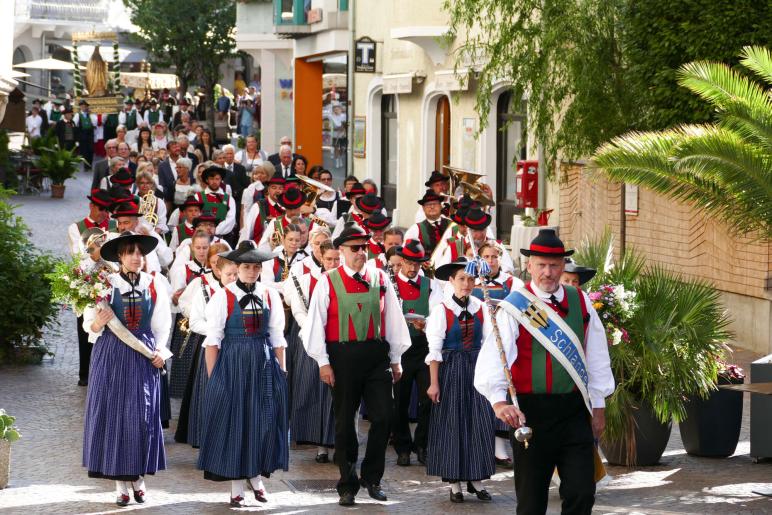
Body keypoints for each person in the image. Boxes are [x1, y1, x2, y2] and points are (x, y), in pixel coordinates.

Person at [474, 229, 615, 515]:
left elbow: (598, 355)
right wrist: (499, 401)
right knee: (531, 501)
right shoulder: (515, 307)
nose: (547, 273)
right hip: (532, 412)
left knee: (582, 491)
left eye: (553, 265)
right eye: (541, 265)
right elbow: (494, 358)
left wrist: (598, 404)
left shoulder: (581, 301)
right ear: (529, 266)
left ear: (563, 266)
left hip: (575, 411)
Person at [302, 224, 410, 506]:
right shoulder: (327, 281)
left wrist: (396, 359)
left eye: (363, 248)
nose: (360, 253)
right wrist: (323, 362)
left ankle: (372, 478)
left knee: (385, 416)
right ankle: (347, 484)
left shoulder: (380, 277)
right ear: (341, 251)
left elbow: (393, 321)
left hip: (377, 356)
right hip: (342, 358)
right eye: (354, 249)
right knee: (344, 424)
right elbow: (315, 325)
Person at [82, 231, 171, 507]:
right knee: (115, 415)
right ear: (119, 257)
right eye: (130, 252)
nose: (136, 257)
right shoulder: (104, 284)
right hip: (111, 354)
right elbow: (90, 326)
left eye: (140, 253)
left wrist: (160, 352)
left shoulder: (154, 284)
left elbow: (162, 324)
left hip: (143, 356)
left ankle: (139, 479)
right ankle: (121, 484)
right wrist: (98, 321)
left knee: (142, 416)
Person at [197, 240, 289, 508]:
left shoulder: (270, 295)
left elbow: (276, 336)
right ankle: (237, 488)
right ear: (236, 268)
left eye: (256, 267)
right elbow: (213, 341)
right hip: (233, 365)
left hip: (262, 363)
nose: (251, 271)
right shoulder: (222, 297)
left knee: (263, 423)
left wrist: (281, 369)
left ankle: (257, 478)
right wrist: (214, 380)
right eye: (246, 266)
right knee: (238, 424)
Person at [426, 257, 496, 503]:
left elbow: (489, 342)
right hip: (452, 369)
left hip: (478, 368)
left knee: (478, 423)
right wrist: (434, 383)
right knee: (453, 424)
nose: (466, 284)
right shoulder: (441, 310)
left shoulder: (481, 306)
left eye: (470, 279)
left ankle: (476, 480)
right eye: (462, 279)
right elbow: (434, 350)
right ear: (451, 281)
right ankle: (454, 483)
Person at [179, 243, 236, 446]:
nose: (233, 278)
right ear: (218, 270)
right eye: (230, 274)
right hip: (211, 346)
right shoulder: (203, 286)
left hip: (235, 349)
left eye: (236, 274)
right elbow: (195, 321)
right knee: (209, 391)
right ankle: (206, 436)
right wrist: (217, 332)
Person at [392, 240, 443, 467]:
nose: (413, 268)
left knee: (427, 399)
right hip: (400, 349)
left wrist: (428, 323)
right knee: (400, 401)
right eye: (409, 262)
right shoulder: (390, 284)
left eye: (418, 264)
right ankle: (402, 447)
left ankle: (423, 445)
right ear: (401, 261)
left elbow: (438, 313)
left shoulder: (431, 285)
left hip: (424, 348)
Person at [287, 240, 338, 461]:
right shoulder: (305, 280)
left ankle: (339, 441)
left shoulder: (345, 281)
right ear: (320, 258)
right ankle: (320, 446)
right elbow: (298, 311)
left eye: (337, 259)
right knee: (314, 390)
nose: (333, 263)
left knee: (337, 393)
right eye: (329, 259)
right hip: (310, 340)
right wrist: (315, 331)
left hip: (337, 342)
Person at [168, 230, 212, 399]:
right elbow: (175, 299)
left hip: (208, 320)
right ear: (192, 248)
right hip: (186, 322)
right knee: (185, 361)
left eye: (205, 247)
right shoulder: (183, 269)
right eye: (198, 248)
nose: (202, 251)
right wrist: (176, 297)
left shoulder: (214, 267)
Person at [405, 190, 453, 257]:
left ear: (440, 206)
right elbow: (407, 251)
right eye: (428, 204)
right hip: (426, 266)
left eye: (435, 203)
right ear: (423, 208)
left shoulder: (452, 225)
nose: (432, 207)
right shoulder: (415, 229)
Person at [240, 175, 285, 244]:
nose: (277, 191)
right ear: (268, 189)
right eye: (274, 188)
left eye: (280, 188)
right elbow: (247, 230)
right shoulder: (258, 206)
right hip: (259, 250)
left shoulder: (286, 208)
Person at [194, 166, 237, 240]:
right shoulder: (198, 196)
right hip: (201, 237)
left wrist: (215, 231)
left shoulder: (229, 199)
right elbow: (195, 216)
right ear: (207, 180)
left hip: (223, 238)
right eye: (211, 179)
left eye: (217, 179)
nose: (214, 182)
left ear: (221, 180)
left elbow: (231, 219)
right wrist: (206, 230)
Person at [75, 100, 97, 169]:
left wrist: (91, 114)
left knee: (91, 150)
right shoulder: (78, 115)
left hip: (90, 135)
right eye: (82, 106)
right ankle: (86, 166)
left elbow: (95, 123)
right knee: (84, 152)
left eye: (85, 106)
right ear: (80, 107)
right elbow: (75, 124)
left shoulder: (90, 115)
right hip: (82, 135)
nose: (84, 108)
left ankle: (90, 165)